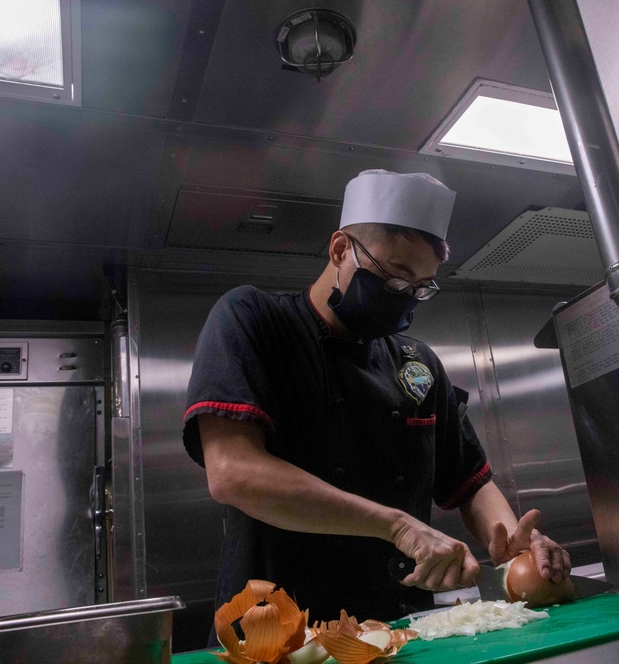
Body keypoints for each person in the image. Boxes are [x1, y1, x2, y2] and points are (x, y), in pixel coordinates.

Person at [182, 170, 570, 627]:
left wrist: (510, 543)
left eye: (420, 288)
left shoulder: (417, 364)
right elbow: (232, 472)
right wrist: (399, 525)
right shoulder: (255, 320)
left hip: (399, 627)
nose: (403, 298)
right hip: (278, 629)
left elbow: (469, 480)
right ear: (341, 250)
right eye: (393, 278)